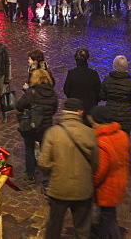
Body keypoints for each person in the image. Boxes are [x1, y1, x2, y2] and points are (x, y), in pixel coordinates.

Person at [39, 98, 99, 239]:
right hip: (82, 189)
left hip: (59, 188)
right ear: (80, 112)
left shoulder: (53, 132)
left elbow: (43, 163)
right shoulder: (90, 133)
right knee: (82, 228)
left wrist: (54, 171)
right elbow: (95, 164)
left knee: (54, 226)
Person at [88, 105, 130, 239]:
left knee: (109, 218)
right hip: (119, 182)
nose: (92, 125)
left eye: (93, 122)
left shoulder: (102, 142)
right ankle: (101, 231)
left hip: (107, 188)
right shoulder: (122, 134)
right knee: (107, 214)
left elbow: (100, 171)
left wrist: (90, 184)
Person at [15, 68, 58, 184]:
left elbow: (18, 106)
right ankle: (46, 179)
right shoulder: (52, 93)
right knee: (45, 151)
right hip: (46, 126)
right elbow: (54, 109)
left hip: (32, 125)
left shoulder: (31, 93)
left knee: (29, 148)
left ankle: (30, 173)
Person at [100, 55, 131, 134]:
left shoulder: (108, 80)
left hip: (110, 116)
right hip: (125, 118)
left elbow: (102, 96)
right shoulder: (130, 82)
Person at [63, 48, 102, 113]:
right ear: (87, 59)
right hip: (90, 109)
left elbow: (66, 90)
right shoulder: (93, 74)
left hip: (75, 109)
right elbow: (99, 92)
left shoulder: (71, 73)